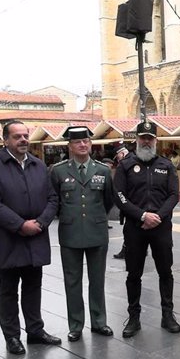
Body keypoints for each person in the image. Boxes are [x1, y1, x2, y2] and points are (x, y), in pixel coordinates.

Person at [0, 120, 61, 355]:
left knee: (34, 286)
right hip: (7, 239)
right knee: (8, 289)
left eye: (26, 135)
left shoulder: (38, 164)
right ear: (6, 140)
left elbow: (52, 199)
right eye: (17, 136)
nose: (24, 140)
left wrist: (41, 222)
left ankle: (35, 331)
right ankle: (12, 336)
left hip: (35, 236)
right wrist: (20, 225)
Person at [113, 122, 180, 337]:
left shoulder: (166, 165)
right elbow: (119, 195)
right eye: (143, 137)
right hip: (135, 227)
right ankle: (134, 317)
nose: (146, 141)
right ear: (137, 140)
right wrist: (141, 215)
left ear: (156, 141)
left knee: (165, 272)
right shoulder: (126, 165)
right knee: (134, 273)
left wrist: (158, 216)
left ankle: (167, 315)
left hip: (161, 227)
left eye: (150, 138)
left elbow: (173, 195)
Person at [50, 126, 115, 341]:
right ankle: (76, 325)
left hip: (96, 232)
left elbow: (108, 200)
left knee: (97, 280)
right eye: (78, 142)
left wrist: (96, 218)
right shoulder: (58, 171)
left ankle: (99, 322)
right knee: (72, 281)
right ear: (70, 146)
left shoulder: (102, 170)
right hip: (70, 233)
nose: (83, 145)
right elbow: (54, 201)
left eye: (86, 141)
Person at [113, 144, 131, 259]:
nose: (118, 160)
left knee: (128, 230)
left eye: (118, 157)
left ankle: (126, 250)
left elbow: (118, 188)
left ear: (123, 153)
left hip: (129, 204)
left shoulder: (124, 165)